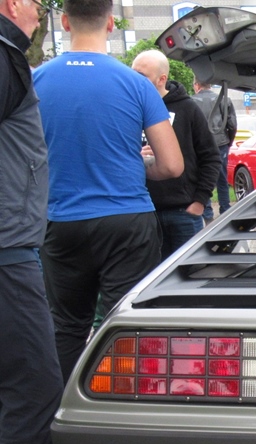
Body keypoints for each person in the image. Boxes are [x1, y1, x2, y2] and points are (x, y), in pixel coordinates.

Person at [0, 0, 103, 444]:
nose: (40, 10)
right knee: (34, 391)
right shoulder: (4, 56)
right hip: (5, 253)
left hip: (23, 244)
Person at [33, 0, 184, 384]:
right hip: (127, 222)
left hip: (61, 221)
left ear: (65, 22)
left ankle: (67, 405)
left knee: (67, 326)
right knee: (126, 325)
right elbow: (172, 165)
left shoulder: (34, 80)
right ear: (112, 24)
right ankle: (123, 402)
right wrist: (141, 166)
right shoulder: (137, 84)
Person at [132, 50, 221, 260]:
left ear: (161, 79)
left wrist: (199, 202)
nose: (134, 80)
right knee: (149, 275)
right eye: (132, 73)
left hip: (182, 212)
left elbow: (211, 157)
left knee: (186, 272)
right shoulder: (129, 109)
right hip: (143, 212)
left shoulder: (187, 108)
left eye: (141, 75)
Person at [192, 76, 237, 223]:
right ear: (210, 85)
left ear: (196, 85)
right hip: (220, 142)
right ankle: (225, 209)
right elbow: (232, 124)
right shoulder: (224, 100)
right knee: (222, 178)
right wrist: (229, 141)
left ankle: (207, 213)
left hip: (199, 144)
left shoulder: (191, 102)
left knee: (202, 178)